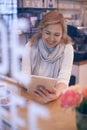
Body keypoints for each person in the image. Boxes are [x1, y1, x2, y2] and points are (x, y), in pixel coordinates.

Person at [22, 11, 74, 103]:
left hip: (55, 99)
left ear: (62, 34)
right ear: (41, 30)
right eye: (48, 33)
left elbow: (64, 78)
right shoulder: (30, 47)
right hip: (32, 97)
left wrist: (56, 92)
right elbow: (25, 76)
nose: (51, 39)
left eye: (57, 35)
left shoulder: (67, 49)